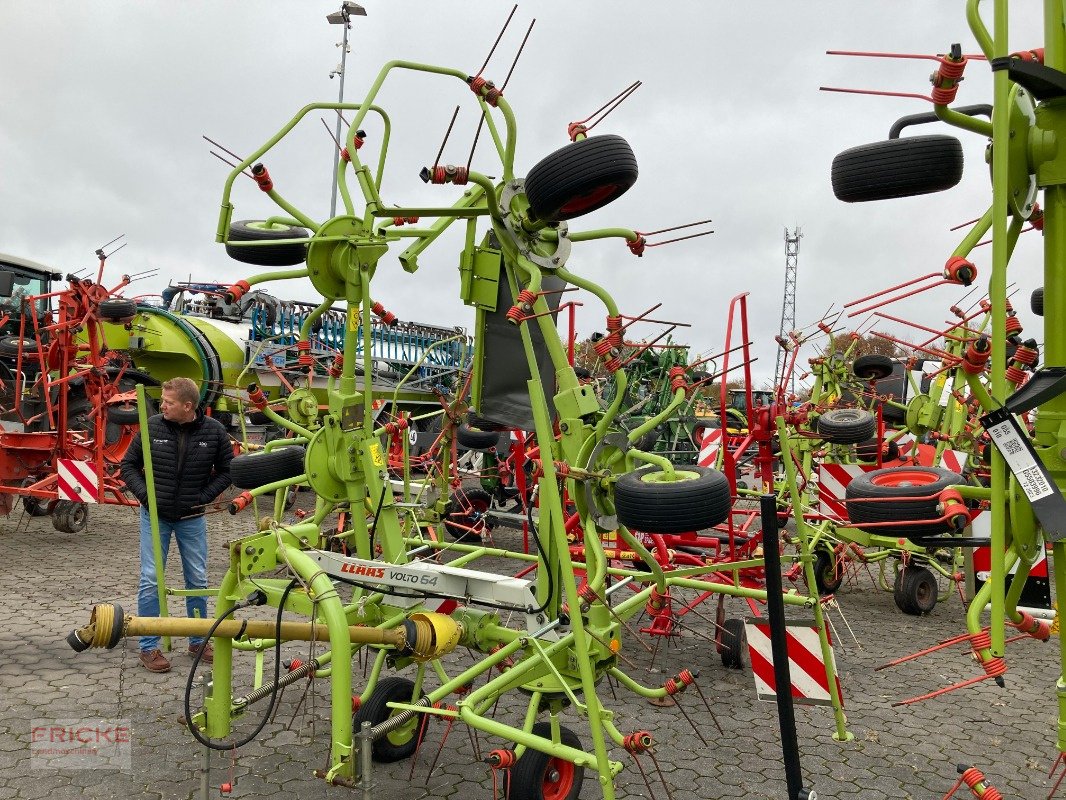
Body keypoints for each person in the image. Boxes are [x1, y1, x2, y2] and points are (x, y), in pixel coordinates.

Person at [120, 377, 233, 673]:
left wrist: (202, 498)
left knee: (197, 578)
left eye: (168, 402)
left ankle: (197, 640)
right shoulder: (152, 427)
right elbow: (128, 466)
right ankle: (149, 647)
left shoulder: (215, 432)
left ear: (188, 406)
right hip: (155, 516)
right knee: (151, 580)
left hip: (191, 519)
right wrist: (146, 496)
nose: (162, 406)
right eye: (162, 401)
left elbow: (226, 472)